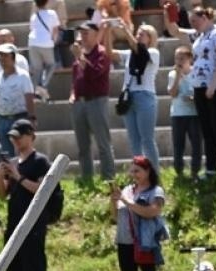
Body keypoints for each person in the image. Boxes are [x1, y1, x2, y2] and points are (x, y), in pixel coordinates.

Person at [0, 121, 52, 271]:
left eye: (19, 136)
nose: (15, 141)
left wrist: (18, 176)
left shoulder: (40, 161)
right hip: (14, 223)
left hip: (34, 223)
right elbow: (3, 194)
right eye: (13, 137)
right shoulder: (14, 163)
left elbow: (42, 190)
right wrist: (1, 175)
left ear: (31, 136)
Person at [113, 155, 166, 271]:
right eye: (132, 170)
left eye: (137, 170)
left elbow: (152, 212)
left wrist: (126, 201)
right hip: (124, 242)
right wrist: (114, 202)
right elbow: (117, 216)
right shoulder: (127, 190)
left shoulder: (155, 191)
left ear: (148, 171)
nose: (133, 174)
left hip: (145, 243)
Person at [185, 6, 216, 177]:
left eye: (195, 21)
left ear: (205, 17)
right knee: (206, 128)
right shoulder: (199, 36)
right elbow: (175, 31)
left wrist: (213, 84)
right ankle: (211, 168)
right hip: (199, 85)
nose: (193, 24)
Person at [68, 21, 116, 182]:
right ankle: (87, 177)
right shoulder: (80, 56)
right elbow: (76, 79)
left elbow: (94, 73)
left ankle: (108, 177)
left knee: (103, 143)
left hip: (96, 101)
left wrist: (80, 57)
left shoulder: (102, 53)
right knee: (82, 145)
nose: (82, 36)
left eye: (86, 33)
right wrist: (72, 94)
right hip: (79, 102)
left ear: (96, 35)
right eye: (81, 33)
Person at [110, 21, 161, 172]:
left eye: (142, 34)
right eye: (137, 33)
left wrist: (126, 32)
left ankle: (154, 173)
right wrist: (106, 32)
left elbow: (140, 51)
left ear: (151, 37)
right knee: (134, 140)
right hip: (129, 97)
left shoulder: (153, 52)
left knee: (147, 138)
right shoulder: (129, 53)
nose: (138, 36)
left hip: (145, 96)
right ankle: (139, 172)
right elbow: (110, 53)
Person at [0, 43, 35, 168]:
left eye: (5, 56)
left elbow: (29, 97)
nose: (2, 59)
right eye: (1, 56)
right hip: (2, 119)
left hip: (19, 118)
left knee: (21, 151)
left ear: (13, 57)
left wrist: (32, 118)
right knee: (6, 153)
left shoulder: (23, 76)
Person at [168, 46, 202, 178]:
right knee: (178, 144)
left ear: (189, 59)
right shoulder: (172, 74)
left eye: (182, 58)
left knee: (196, 144)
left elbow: (201, 93)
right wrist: (177, 77)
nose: (179, 61)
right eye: (177, 58)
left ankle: (195, 171)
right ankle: (179, 171)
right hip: (178, 114)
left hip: (193, 114)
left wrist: (193, 98)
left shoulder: (196, 73)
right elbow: (172, 93)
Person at [29, 0, 63, 95]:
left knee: (37, 68)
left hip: (32, 43)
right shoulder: (52, 13)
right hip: (46, 42)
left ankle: (36, 91)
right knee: (51, 65)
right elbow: (55, 29)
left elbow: (32, 28)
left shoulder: (34, 16)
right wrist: (54, 41)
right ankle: (42, 85)